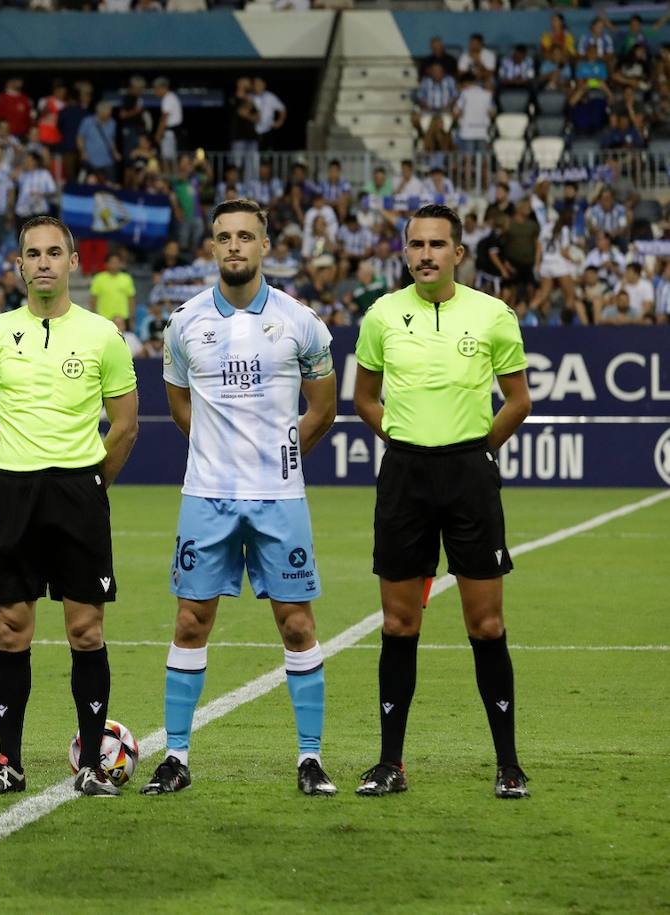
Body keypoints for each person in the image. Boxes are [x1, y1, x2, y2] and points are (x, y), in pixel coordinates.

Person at [142, 199, 338, 798]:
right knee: (190, 620)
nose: (234, 246)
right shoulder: (184, 323)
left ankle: (310, 759)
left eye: (245, 237)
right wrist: (217, 451)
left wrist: (280, 450)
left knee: (297, 625)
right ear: (211, 246)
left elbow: (323, 408)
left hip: (280, 499)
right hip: (206, 499)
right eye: (224, 236)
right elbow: (181, 407)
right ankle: (176, 756)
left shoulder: (302, 322)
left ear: (265, 246)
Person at [353, 204, 533, 800]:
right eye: (415, 245)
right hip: (404, 476)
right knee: (400, 623)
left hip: (468, 478)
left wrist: (476, 451)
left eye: (437, 244)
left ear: (459, 252)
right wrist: (405, 441)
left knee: (486, 623)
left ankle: (508, 764)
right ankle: (389, 764)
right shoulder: (382, 314)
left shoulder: (492, 315)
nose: (425, 254)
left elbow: (516, 399)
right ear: (405, 252)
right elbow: (365, 397)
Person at [0, 216, 139, 798]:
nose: (43, 262)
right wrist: (14, 462)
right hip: (14, 491)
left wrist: (91, 484)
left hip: (77, 494)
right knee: (11, 629)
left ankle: (91, 763)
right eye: (32, 253)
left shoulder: (102, 335)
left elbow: (125, 425)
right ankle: (7, 762)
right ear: (18, 265)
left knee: (85, 629)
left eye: (53, 252)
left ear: (73, 263)